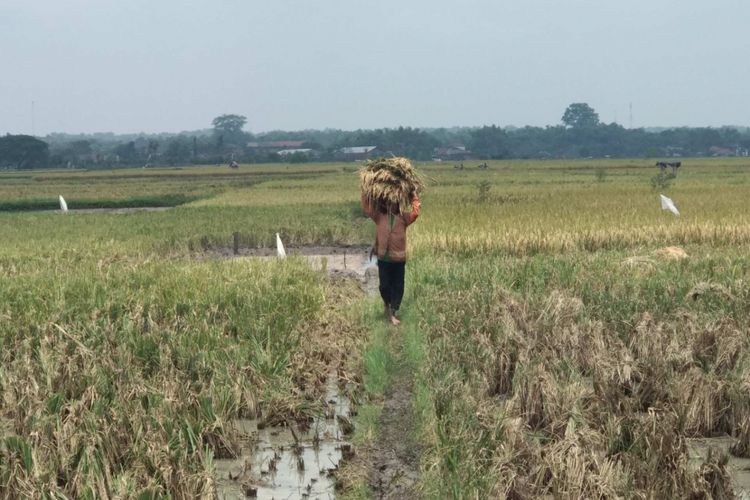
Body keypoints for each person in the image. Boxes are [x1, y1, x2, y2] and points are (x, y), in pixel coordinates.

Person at [361, 191, 421, 325]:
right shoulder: (380, 216)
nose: (392, 205)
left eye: (395, 202)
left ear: (398, 204)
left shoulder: (403, 218)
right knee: (384, 286)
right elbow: (366, 208)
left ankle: (392, 312)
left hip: (399, 259)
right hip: (383, 259)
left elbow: (415, 213)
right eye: (390, 202)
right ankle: (387, 305)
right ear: (386, 203)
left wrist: (413, 196)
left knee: (398, 286)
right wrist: (366, 191)